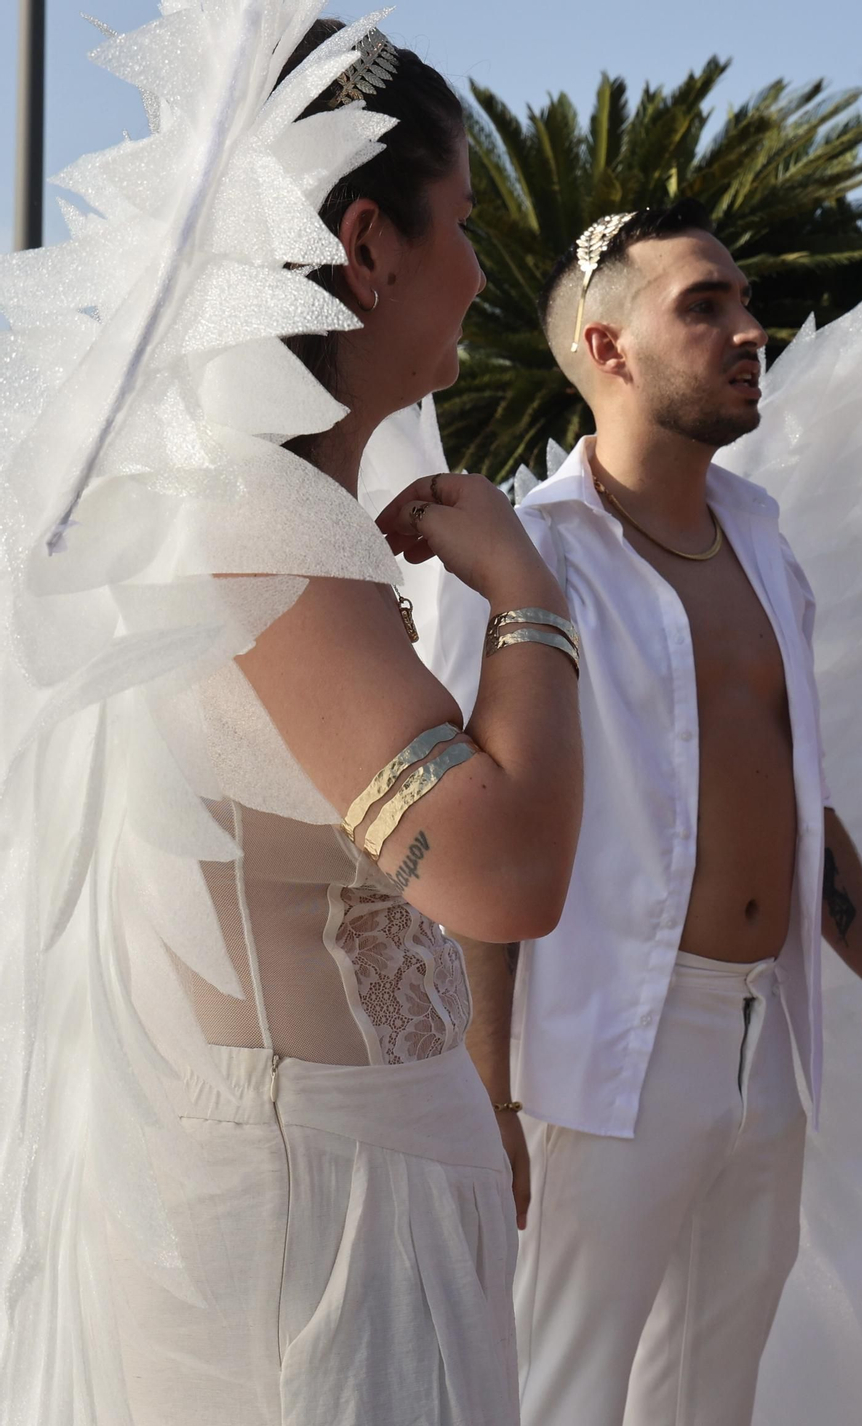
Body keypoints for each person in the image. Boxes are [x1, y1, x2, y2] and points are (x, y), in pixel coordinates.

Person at [1, 15, 583, 1425]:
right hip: (318, 1228)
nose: (482, 272)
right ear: (368, 245)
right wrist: (526, 594)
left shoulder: (243, 506)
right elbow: (500, 870)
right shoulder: (260, 523)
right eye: (463, 224)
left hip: (339, 1185)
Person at [428, 204, 862, 1426]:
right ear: (607, 349)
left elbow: (787, 779)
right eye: (703, 306)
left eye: (745, 302)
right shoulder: (523, 556)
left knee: (712, 1397)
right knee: (561, 1392)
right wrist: (483, 1095)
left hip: (768, 1035)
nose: (748, 330)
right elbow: (472, 837)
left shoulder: (762, 542)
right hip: (599, 1044)